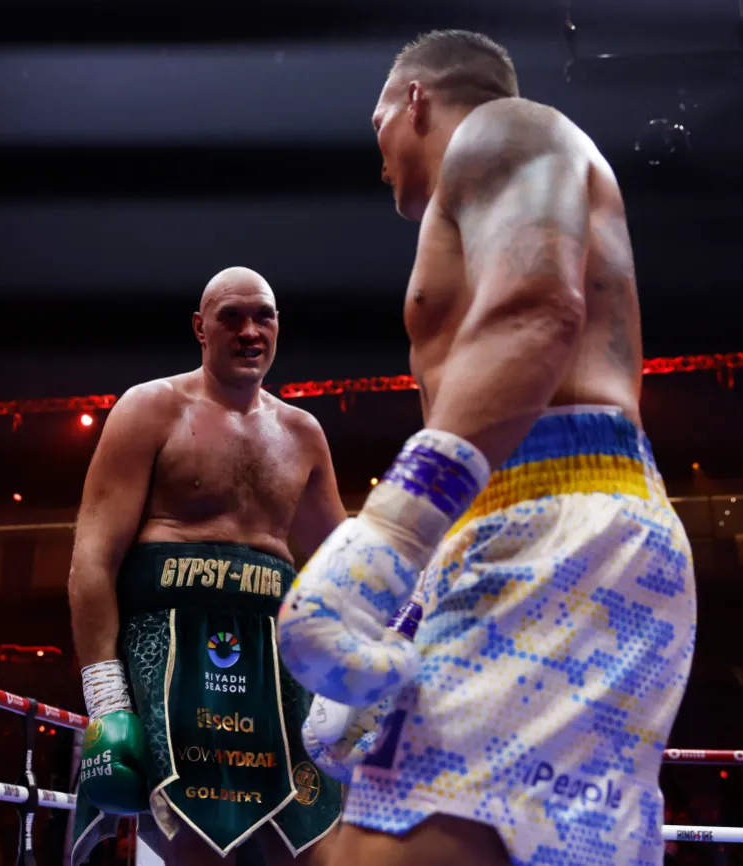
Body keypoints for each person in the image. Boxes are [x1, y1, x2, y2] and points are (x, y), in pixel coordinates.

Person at [277, 29, 697, 866]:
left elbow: (538, 311)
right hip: (523, 520)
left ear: (417, 101)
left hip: (559, 516)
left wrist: (394, 531)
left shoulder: (506, 129)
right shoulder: (476, 190)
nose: (381, 157)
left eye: (379, 126)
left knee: (377, 855)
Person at [68, 267, 344, 866]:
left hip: (276, 658)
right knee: (196, 848)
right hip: (170, 652)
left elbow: (343, 560)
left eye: (263, 316)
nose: (250, 331)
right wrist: (106, 695)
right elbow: (93, 558)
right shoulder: (150, 409)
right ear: (200, 327)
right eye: (231, 317)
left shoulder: (302, 432)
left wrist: (416, 593)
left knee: (315, 846)